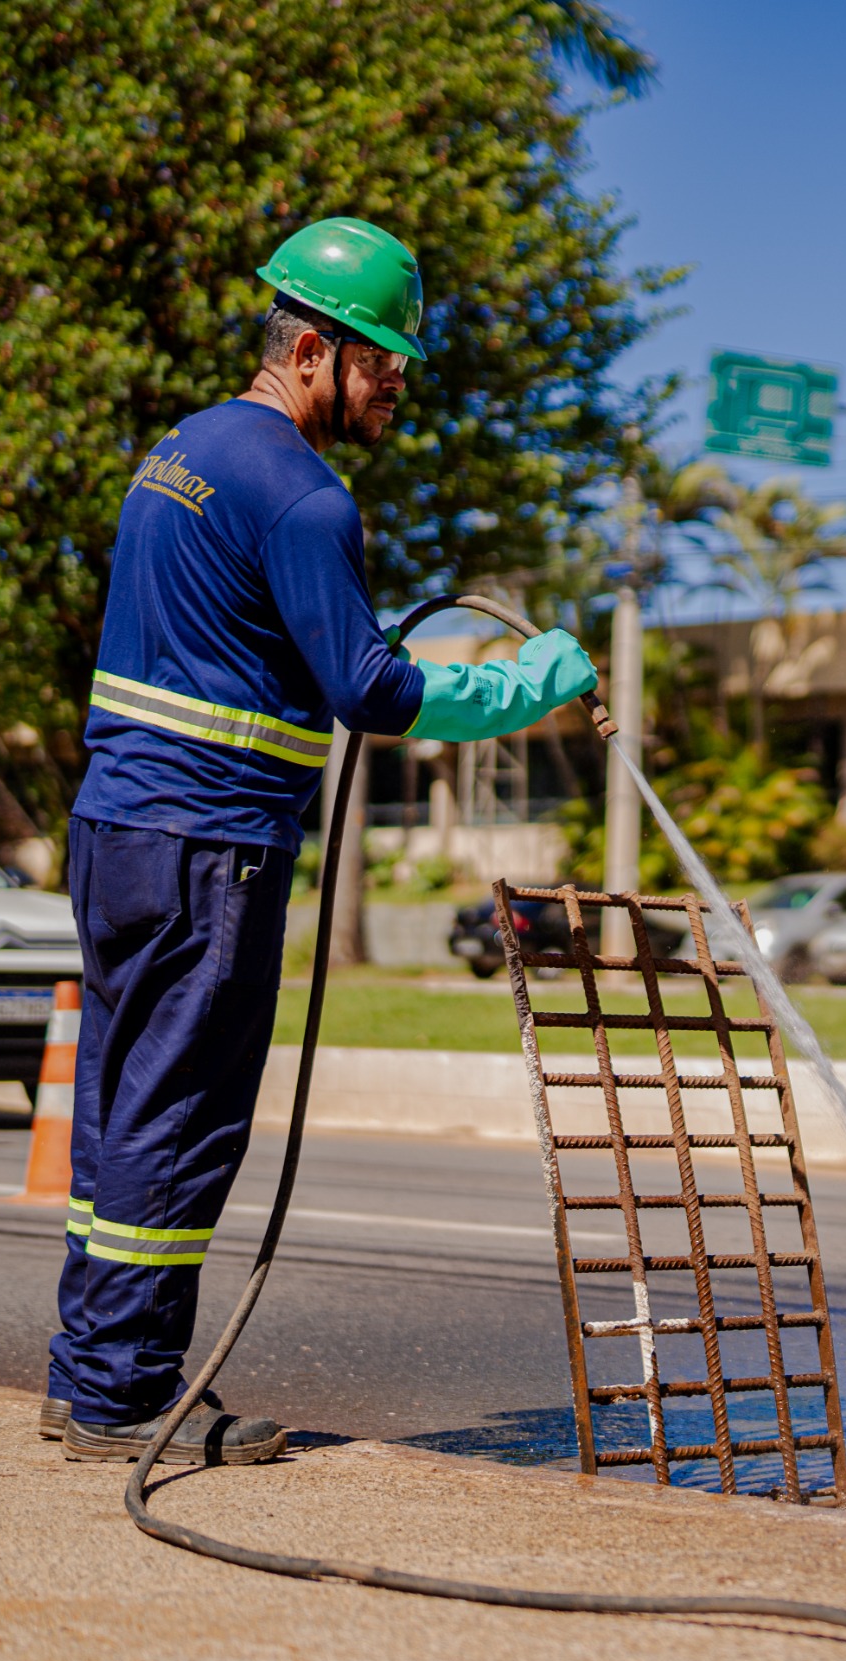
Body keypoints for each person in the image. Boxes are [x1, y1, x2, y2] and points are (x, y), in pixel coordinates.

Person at [45, 218, 599, 1464]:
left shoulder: (179, 451)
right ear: (311, 349)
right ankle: (124, 1398)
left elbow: (233, 643)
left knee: (120, 1104)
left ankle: (84, 1375)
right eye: (382, 360)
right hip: (208, 847)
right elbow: (372, 690)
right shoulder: (304, 493)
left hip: (118, 829)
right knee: (182, 1120)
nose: (398, 382)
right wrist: (529, 683)